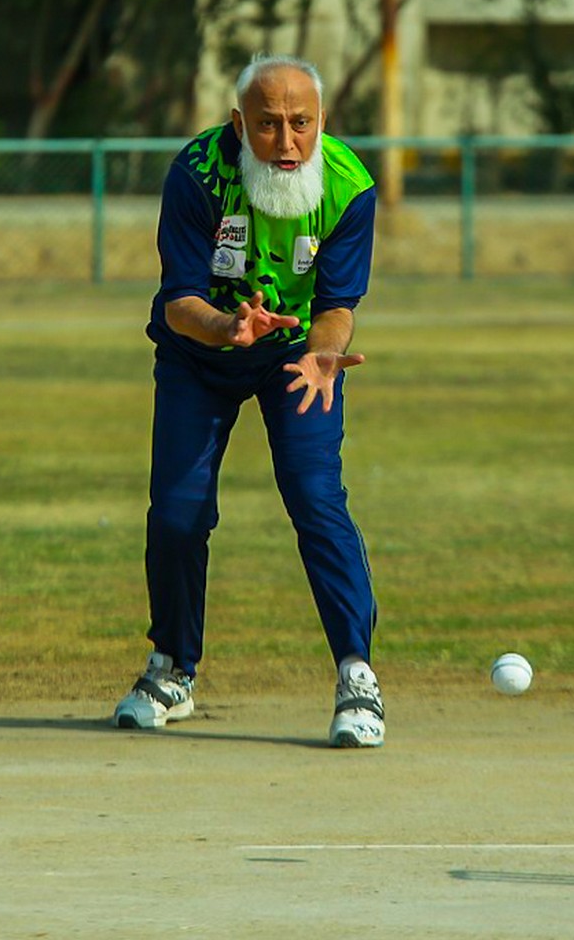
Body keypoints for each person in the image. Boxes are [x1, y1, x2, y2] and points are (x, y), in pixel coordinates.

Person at [112, 54, 384, 748]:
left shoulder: (349, 186)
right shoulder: (198, 174)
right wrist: (227, 329)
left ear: (321, 122)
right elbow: (179, 302)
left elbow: (337, 304)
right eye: (267, 125)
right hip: (199, 354)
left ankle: (356, 676)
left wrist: (323, 353)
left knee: (315, 499)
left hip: (297, 359)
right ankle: (172, 668)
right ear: (239, 125)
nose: (286, 143)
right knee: (178, 513)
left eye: (301, 124)